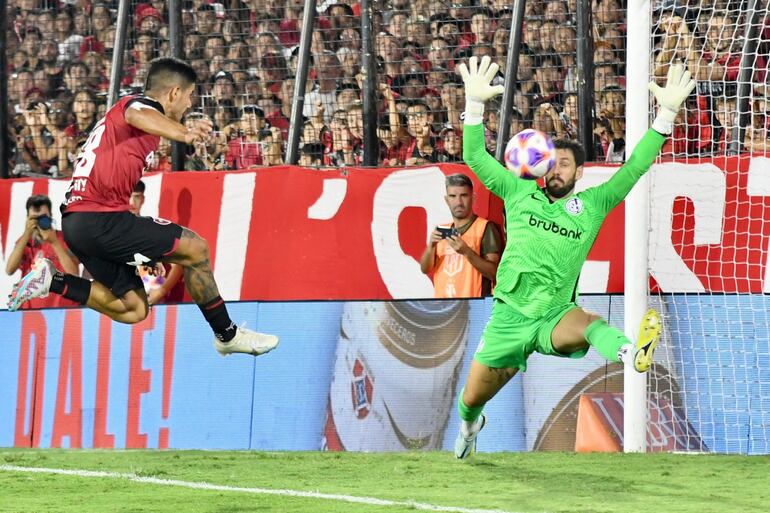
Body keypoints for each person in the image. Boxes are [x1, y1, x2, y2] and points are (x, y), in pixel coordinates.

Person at [452, 56, 695, 458]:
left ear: (580, 172)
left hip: (554, 314)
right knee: (471, 398)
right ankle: (471, 425)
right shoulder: (518, 192)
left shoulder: (594, 204)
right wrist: (475, 106)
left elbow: (634, 167)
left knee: (589, 323)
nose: (555, 170)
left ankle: (631, 353)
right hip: (509, 315)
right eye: (551, 163)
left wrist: (665, 114)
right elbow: (476, 159)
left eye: (565, 164)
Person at [7, 57, 279, 358]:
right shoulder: (135, 105)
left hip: (78, 223)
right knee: (196, 248)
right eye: (189, 96)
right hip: (100, 218)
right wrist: (184, 133)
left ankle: (54, 281)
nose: (189, 105)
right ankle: (226, 334)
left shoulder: (127, 121)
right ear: (174, 93)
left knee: (135, 309)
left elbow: (155, 281)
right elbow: (138, 113)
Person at [419, 174, 502, 298]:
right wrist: (431, 245)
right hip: (443, 308)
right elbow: (425, 269)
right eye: (453, 196)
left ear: (473, 198)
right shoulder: (443, 230)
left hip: (474, 309)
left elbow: (494, 273)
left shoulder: (486, 227)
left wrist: (466, 252)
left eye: (464, 195)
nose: (458, 202)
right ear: (447, 200)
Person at [5, 195, 80, 309]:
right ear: (28, 219)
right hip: (30, 311)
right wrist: (26, 234)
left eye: (43, 217)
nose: (39, 222)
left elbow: (74, 274)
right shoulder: (25, 242)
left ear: (51, 216)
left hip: (63, 309)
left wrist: (54, 242)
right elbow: (9, 269)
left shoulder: (65, 239)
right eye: (34, 219)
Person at [129, 180, 184, 306]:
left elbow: (178, 264)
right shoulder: (110, 229)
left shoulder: (151, 229)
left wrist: (160, 291)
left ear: (142, 199)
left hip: (149, 301)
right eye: (129, 197)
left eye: (136, 197)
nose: (132, 202)